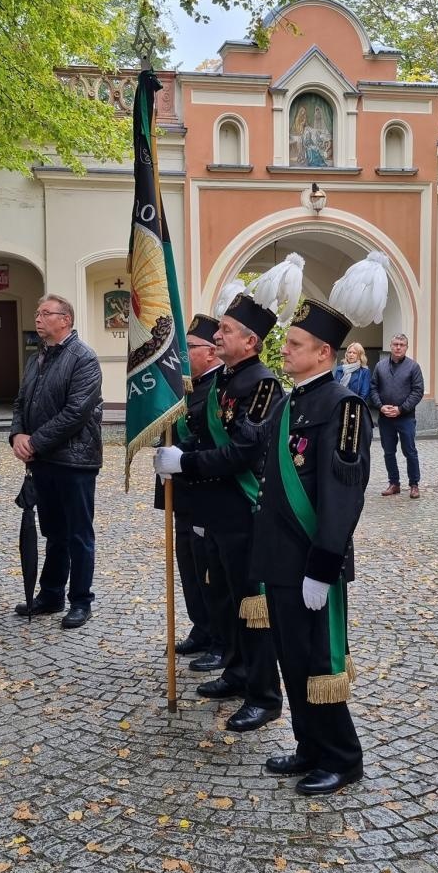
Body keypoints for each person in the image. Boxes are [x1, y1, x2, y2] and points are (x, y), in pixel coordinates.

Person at [250, 299, 372, 795]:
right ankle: (308, 746)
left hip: (310, 563)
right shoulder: (288, 400)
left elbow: (343, 495)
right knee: (292, 658)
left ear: (324, 352)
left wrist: (323, 567)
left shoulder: (343, 406)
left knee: (319, 661)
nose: (287, 352)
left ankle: (343, 757)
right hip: (278, 558)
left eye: (296, 345)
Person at [155, 290, 285, 733]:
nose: (218, 335)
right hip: (216, 513)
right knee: (226, 602)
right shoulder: (226, 380)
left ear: (250, 342)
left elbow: (244, 451)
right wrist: (178, 451)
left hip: (245, 513)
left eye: (226, 330)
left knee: (253, 608)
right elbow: (209, 439)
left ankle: (264, 695)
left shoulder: (264, 385)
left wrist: (186, 463)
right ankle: (235, 671)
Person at [9, 294, 103, 629]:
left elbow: (75, 413)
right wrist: (18, 435)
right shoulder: (37, 358)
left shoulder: (84, 358)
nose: (37, 318)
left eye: (45, 313)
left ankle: (80, 601)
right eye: (36, 312)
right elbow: (21, 402)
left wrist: (34, 441)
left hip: (75, 461)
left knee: (78, 534)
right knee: (53, 532)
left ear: (65, 319)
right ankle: (51, 595)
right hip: (44, 461)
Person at [156, 314, 224, 668]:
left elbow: (214, 442)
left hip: (206, 493)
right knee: (189, 565)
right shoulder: (186, 387)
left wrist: (181, 457)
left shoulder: (218, 389)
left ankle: (219, 637)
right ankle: (200, 626)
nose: (182, 356)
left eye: (189, 348)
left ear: (211, 352)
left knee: (209, 570)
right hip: (183, 493)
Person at [370, 333, 424, 499]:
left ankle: (414, 484)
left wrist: (401, 409)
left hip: (405, 417)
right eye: (395, 344)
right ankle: (394, 483)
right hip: (385, 417)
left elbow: (418, 391)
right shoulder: (380, 366)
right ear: (390, 346)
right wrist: (380, 406)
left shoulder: (413, 367)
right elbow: (373, 388)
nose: (398, 347)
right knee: (388, 452)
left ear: (406, 347)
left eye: (402, 344)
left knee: (410, 451)